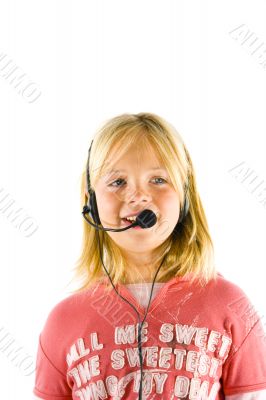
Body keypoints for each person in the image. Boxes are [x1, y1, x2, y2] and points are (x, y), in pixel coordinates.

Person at [33, 112, 266, 400]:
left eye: (158, 179)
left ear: (185, 197)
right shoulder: (63, 321)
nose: (138, 196)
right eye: (117, 182)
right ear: (90, 202)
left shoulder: (230, 305)